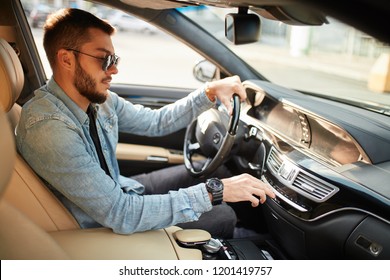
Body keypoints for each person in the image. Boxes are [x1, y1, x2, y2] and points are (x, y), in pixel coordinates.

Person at [16, 8, 275, 239]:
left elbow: (155, 123)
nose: (114, 70)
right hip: (102, 226)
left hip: (122, 190)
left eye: (114, 60)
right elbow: (120, 213)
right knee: (222, 215)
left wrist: (208, 91)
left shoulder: (98, 101)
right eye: (104, 59)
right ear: (66, 59)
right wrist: (212, 193)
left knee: (210, 172)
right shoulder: (48, 128)